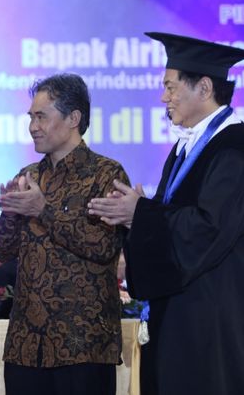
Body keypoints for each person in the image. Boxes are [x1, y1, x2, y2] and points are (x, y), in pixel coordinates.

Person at [88, 32, 244, 395]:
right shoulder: (184, 148)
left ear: (203, 88)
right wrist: (139, 215)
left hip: (211, 320)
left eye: (171, 88)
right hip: (179, 315)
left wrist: (140, 213)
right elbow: (178, 217)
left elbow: (208, 228)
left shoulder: (234, 149)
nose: (163, 97)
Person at [0, 73, 128, 395]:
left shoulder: (106, 174)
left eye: (41, 116)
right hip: (26, 344)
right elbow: (2, 251)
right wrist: (9, 215)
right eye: (31, 117)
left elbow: (103, 246)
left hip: (82, 345)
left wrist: (43, 210)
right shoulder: (29, 175)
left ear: (73, 118)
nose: (33, 126)